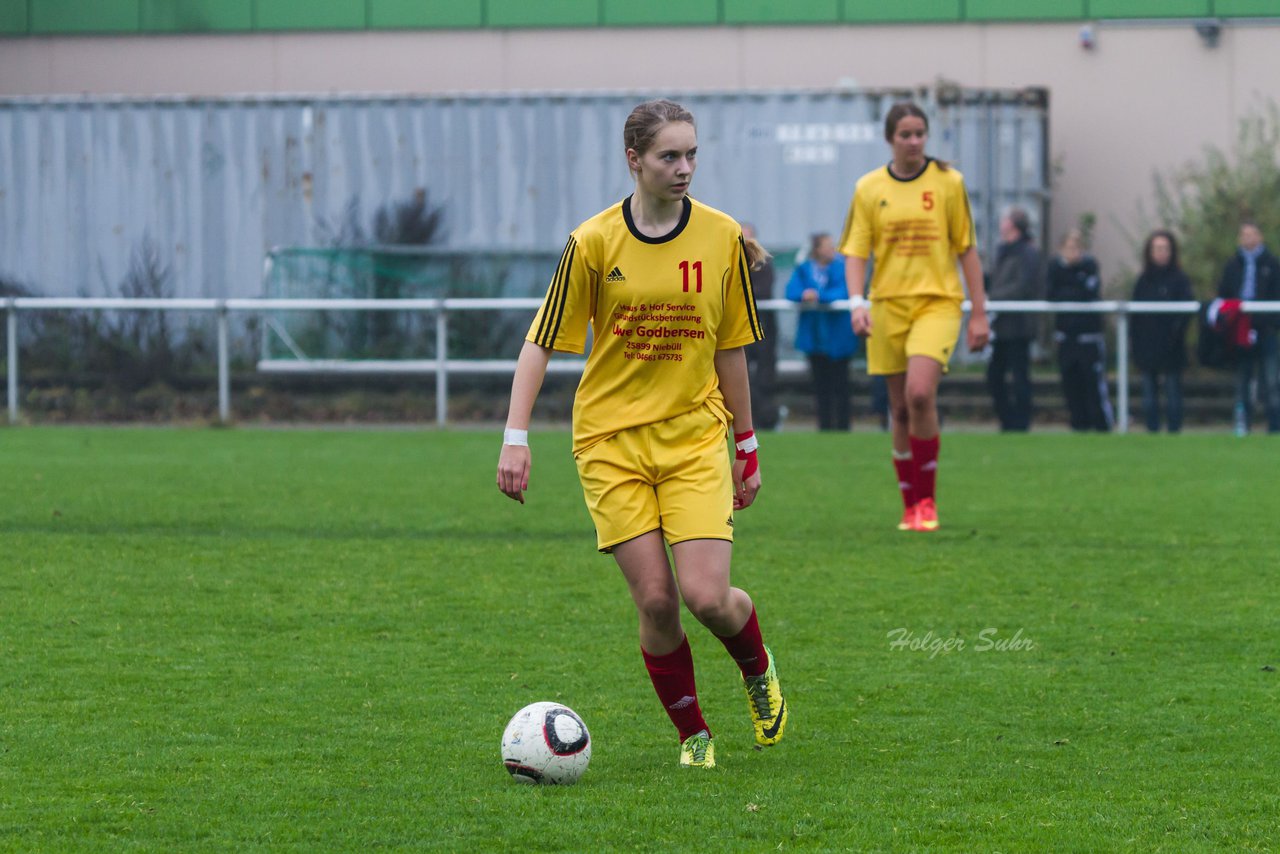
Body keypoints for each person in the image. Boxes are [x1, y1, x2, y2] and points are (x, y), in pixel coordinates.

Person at [495, 99, 787, 770]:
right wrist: (516, 435)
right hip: (610, 443)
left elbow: (732, 349)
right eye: (669, 156)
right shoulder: (594, 242)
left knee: (708, 597)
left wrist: (746, 445)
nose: (684, 168)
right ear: (634, 160)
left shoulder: (720, 238)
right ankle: (695, 737)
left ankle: (756, 666)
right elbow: (539, 343)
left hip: (691, 439)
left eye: (691, 155)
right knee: (657, 601)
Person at [839, 101, 989, 532]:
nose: (913, 141)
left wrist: (979, 314)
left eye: (919, 133)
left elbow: (966, 249)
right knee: (899, 409)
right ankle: (910, 505)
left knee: (920, 394)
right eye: (905, 134)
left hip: (937, 303)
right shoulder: (869, 187)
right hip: (888, 305)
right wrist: (857, 303)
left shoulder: (948, 182)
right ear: (891, 138)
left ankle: (927, 501)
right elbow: (856, 253)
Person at [786, 232, 857, 430]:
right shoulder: (804, 269)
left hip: (838, 337)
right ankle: (824, 426)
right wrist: (804, 294)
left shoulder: (841, 267)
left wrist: (819, 295)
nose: (831, 249)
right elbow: (791, 291)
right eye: (826, 246)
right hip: (815, 338)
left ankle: (843, 427)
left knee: (841, 384)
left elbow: (845, 291)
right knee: (820, 386)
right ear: (816, 250)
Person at [1047, 229, 1113, 432]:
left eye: (1076, 247)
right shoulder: (1055, 268)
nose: (1073, 252)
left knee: (1093, 385)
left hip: (1088, 339)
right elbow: (1052, 295)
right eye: (1068, 247)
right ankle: (1079, 426)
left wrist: (1070, 291)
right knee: (1070, 384)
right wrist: (1072, 290)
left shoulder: (1090, 266)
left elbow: (1088, 293)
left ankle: (1102, 427)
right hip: (1066, 338)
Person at [1217, 222, 1280, 434]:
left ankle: (1274, 426)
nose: (1249, 238)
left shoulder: (1272, 264)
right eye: (1244, 234)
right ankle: (1243, 424)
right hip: (1240, 330)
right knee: (1242, 379)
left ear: (1260, 237)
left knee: (1271, 381)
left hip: (1266, 331)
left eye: (1252, 234)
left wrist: (1269, 323)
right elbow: (1224, 295)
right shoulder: (1233, 265)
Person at [985, 207, 1043, 431]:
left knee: (1020, 376)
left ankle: (1020, 423)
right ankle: (1007, 421)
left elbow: (1023, 286)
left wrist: (993, 298)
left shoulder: (1027, 253)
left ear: (1013, 226)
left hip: (1019, 326)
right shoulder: (1003, 252)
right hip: (1001, 326)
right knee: (994, 376)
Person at [1131, 229, 1194, 433]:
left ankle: (1174, 431)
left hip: (1172, 347)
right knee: (1149, 392)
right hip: (1147, 347)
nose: (1161, 252)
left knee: (1173, 391)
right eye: (1157, 248)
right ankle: (1152, 431)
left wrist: (1175, 335)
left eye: (1165, 248)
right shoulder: (1143, 281)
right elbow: (1136, 316)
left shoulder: (1180, 280)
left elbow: (1186, 312)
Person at [742, 222, 780, 430]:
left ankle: (767, 418)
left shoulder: (764, 263)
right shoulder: (729, 261)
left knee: (765, 377)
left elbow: (762, 290)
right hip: (740, 328)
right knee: (741, 375)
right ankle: (751, 419)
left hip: (764, 327)